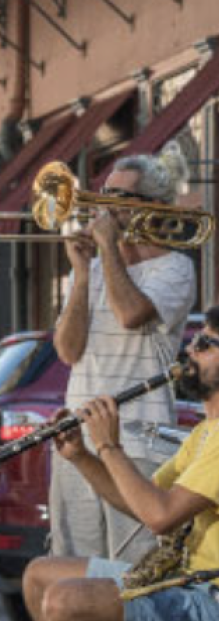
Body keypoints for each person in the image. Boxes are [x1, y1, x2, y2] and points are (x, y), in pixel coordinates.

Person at [15, 308, 219, 621]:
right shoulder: (203, 434)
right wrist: (83, 456)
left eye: (206, 345)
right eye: (194, 342)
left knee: (68, 601)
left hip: (208, 595)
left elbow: (161, 517)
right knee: (42, 575)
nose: (189, 352)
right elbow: (145, 502)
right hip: (185, 582)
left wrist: (110, 446)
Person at [52, 141, 196, 563]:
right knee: (72, 566)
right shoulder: (95, 268)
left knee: (133, 566)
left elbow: (132, 314)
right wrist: (80, 276)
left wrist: (109, 250)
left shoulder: (175, 267)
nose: (103, 205)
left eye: (118, 197)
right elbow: (66, 350)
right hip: (77, 437)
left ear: (152, 205)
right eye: (104, 193)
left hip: (138, 439)